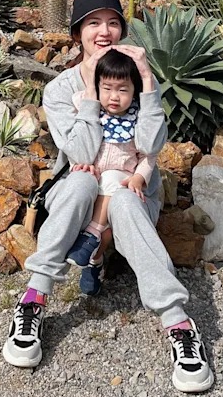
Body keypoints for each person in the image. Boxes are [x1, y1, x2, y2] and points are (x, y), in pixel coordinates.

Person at [2, 0, 214, 394]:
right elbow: (81, 152)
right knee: (82, 180)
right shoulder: (60, 90)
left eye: (113, 22)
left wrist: (147, 80)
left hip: (130, 188)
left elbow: (151, 146)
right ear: (77, 31)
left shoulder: (136, 79)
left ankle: (178, 323)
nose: (104, 31)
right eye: (93, 22)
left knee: (127, 201)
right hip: (78, 190)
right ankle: (33, 300)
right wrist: (89, 97)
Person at [63, 49, 155, 277]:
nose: (114, 97)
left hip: (120, 180)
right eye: (107, 88)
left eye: (123, 90)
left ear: (134, 91)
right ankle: (94, 258)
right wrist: (80, 163)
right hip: (94, 177)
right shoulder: (88, 105)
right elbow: (76, 139)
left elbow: (148, 155)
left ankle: (93, 249)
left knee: (106, 225)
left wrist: (139, 177)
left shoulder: (138, 117)